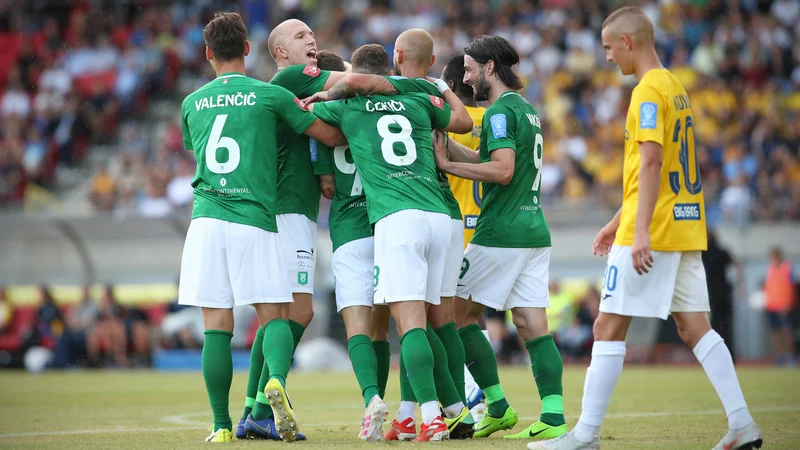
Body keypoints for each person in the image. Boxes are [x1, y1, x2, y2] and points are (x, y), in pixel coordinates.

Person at [531, 7, 761, 450]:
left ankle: (585, 436)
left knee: (606, 328)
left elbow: (652, 161)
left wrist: (637, 232)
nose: (608, 58)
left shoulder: (648, 91)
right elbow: (654, 168)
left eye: (608, 48)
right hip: (683, 226)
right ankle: (742, 423)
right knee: (695, 327)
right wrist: (616, 220)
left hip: (653, 229)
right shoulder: (675, 87)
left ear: (628, 42)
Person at [178, 12, 344, 443]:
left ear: (208, 53)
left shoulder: (191, 103)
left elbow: (195, 149)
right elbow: (326, 136)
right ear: (249, 50)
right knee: (275, 315)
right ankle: (272, 388)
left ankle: (219, 426)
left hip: (206, 220)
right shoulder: (269, 96)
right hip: (255, 218)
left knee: (217, 324)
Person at [304, 29, 476, 440]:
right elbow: (464, 124)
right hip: (439, 215)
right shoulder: (417, 98)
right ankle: (453, 411)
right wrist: (437, 87)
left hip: (394, 222)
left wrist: (317, 95)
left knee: (409, 325)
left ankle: (431, 415)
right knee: (438, 321)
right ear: (391, 67)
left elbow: (306, 120)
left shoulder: (348, 108)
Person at [433, 35, 567, 441]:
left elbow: (502, 171)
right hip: (533, 232)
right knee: (531, 324)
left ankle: (497, 405)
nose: (467, 77)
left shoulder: (496, 113)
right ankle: (553, 416)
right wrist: (452, 148)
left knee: (453, 317)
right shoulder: (525, 111)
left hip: (500, 233)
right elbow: (489, 160)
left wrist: (445, 165)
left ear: (490, 67)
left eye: (471, 69)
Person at [238, 19, 349, 441]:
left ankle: (252, 410)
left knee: (273, 321)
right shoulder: (288, 78)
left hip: (283, 210)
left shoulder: (294, 93)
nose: (312, 41)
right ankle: (268, 403)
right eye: (302, 37)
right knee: (298, 311)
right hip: (288, 212)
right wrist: (402, 81)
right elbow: (353, 79)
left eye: (313, 36)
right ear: (280, 52)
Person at [310, 45, 389, 442]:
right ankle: (413, 411)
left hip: (348, 229)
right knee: (389, 327)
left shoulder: (327, 117)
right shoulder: (384, 108)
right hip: (387, 223)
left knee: (357, 323)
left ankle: (371, 400)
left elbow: (325, 184)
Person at [702, 230, 745, 361]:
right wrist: (740, 285)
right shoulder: (722, 252)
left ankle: (717, 356)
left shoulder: (704, 253)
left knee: (714, 326)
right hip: (723, 293)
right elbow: (737, 266)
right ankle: (728, 354)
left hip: (712, 295)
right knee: (725, 325)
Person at [764, 246, 796, 366]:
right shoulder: (770, 269)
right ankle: (779, 356)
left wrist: (787, 304)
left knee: (787, 332)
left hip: (784, 306)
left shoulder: (787, 268)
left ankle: (790, 356)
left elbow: (791, 288)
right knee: (775, 333)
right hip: (772, 306)